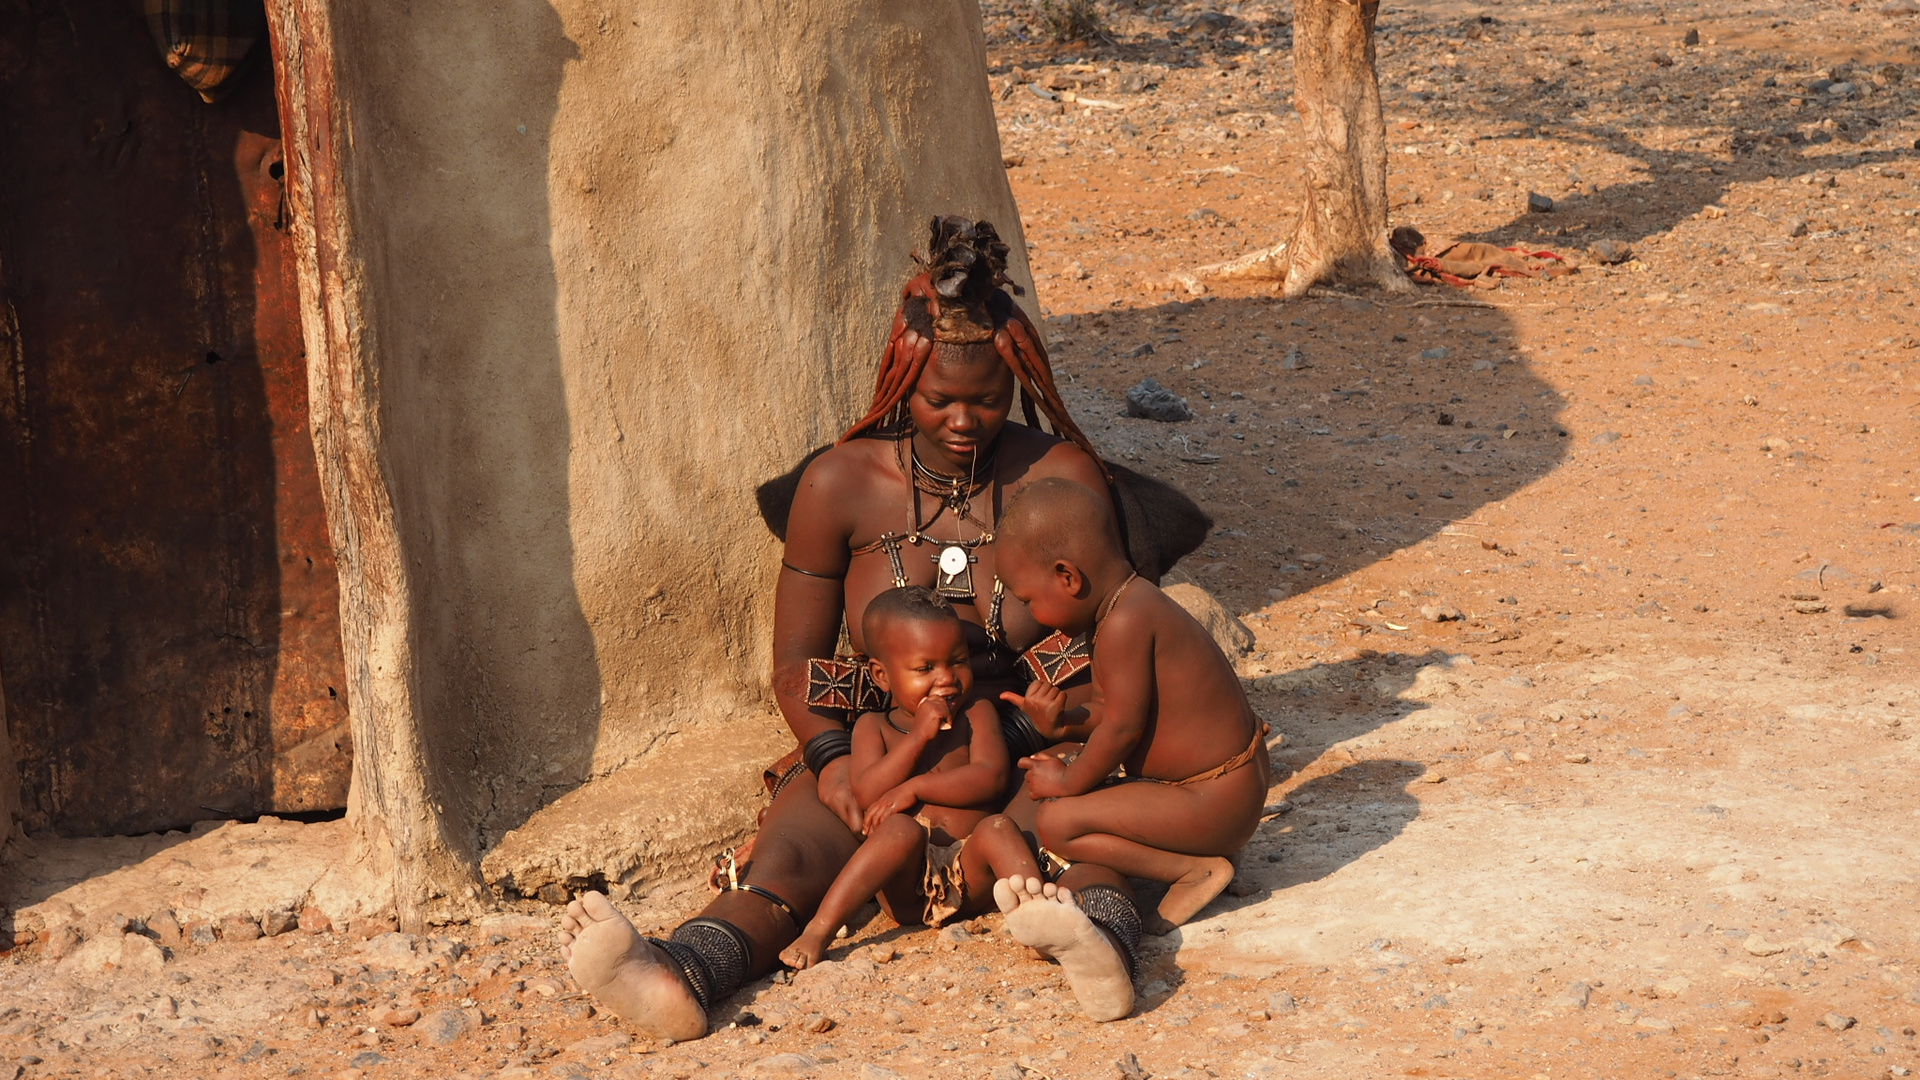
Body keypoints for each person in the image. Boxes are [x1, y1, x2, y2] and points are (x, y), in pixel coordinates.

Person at [558, 217, 1152, 1040]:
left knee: (1077, 836)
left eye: (987, 400)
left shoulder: (1057, 474)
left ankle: (1106, 954)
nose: (964, 421)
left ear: (1016, 382)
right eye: (940, 399)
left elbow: (1103, 630)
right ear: (899, 381)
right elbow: (799, 661)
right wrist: (834, 759)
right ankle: (680, 972)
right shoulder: (840, 482)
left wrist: (1017, 726)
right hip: (877, 742)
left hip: (1026, 734)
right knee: (794, 851)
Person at [993, 476, 1270, 935]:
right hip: (1226, 791)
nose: (1030, 615)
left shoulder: (1124, 622)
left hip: (1215, 798)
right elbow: (1111, 711)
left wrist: (1066, 780)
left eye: (1029, 600)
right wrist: (1060, 724)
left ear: (1068, 576)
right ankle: (1201, 853)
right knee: (1070, 788)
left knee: (1059, 821)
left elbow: (1121, 730)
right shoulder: (1126, 606)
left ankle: (1194, 870)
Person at [778, 587, 1042, 970]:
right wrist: (919, 736)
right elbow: (867, 792)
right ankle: (820, 929)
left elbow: (992, 778)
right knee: (900, 830)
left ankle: (1040, 918)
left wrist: (914, 787)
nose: (947, 679)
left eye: (959, 662)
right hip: (907, 888)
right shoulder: (873, 727)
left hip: (971, 872)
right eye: (925, 669)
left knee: (998, 827)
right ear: (881, 675)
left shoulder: (977, 714)